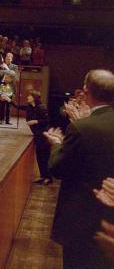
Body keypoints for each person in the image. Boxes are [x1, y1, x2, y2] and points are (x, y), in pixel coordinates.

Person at [45, 69, 114, 269]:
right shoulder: (83, 126)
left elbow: (57, 168)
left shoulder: (83, 128)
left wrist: (57, 144)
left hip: (81, 217)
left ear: (86, 91)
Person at [0, 52, 18, 125]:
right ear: (5, 58)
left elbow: (14, 75)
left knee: (9, 104)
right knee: (2, 104)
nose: (8, 59)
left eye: (10, 58)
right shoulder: (1, 66)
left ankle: (7, 120)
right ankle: (1, 119)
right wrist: (2, 68)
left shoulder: (15, 66)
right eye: (7, 58)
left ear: (12, 59)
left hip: (11, 87)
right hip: (3, 87)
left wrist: (6, 68)